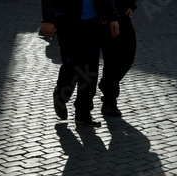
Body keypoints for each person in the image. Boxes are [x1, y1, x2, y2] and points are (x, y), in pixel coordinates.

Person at [41, 0, 119, 128]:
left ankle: (83, 112)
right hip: (67, 20)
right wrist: (48, 19)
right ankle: (60, 96)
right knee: (73, 65)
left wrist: (112, 17)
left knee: (90, 68)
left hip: (93, 22)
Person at [99, 0, 137, 117]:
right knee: (112, 61)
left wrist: (131, 5)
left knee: (128, 57)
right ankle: (109, 103)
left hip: (124, 15)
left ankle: (106, 85)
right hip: (107, 18)